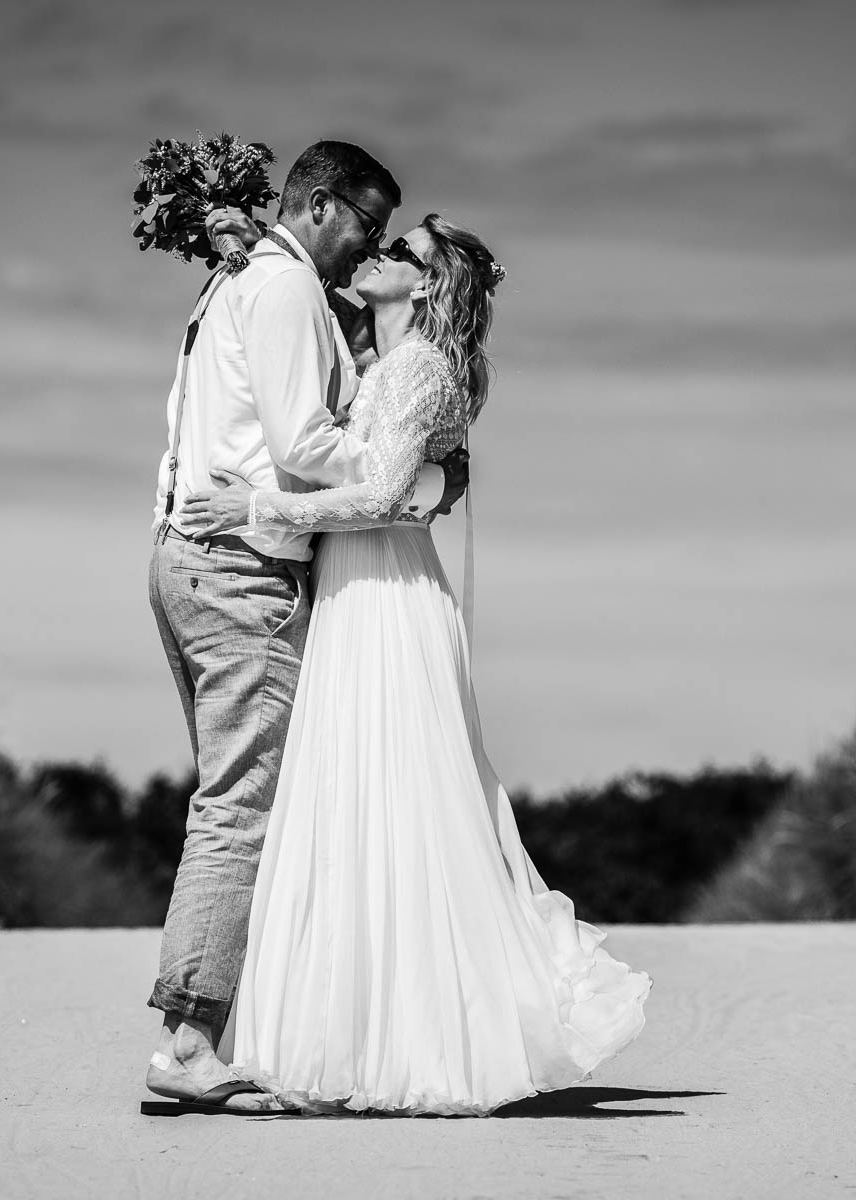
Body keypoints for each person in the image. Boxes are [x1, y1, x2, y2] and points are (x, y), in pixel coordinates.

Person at [176, 214, 651, 1116]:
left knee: (397, 803)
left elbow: (389, 492)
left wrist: (256, 511)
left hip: (386, 598)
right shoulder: (381, 361)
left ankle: (411, 1039)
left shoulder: (419, 370)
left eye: (401, 254)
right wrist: (245, 236)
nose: (377, 255)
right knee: (353, 804)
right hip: (360, 586)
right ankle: (351, 1036)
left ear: (426, 288)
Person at [142, 141, 466, 1116]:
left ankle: (223, 1026)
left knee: (232, 798)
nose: (367, 245)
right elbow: (302, 443)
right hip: (240, 566)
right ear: (321, 204)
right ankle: (190, 1040)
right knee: (238, 807)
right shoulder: (280, 287)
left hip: (185, 553)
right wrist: (404, 476)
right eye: (364, 222)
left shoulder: (236, 285)